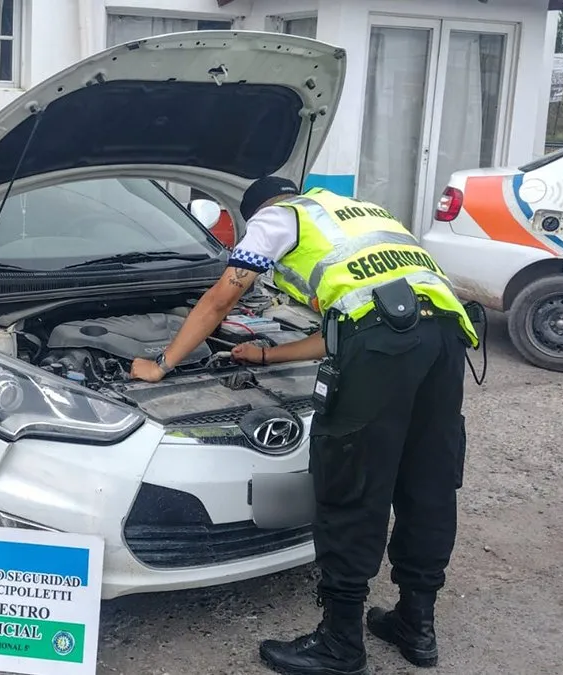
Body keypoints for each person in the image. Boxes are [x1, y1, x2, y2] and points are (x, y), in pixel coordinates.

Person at [129, 176, 479, 675]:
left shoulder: (278, 218)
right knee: (428, 482)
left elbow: (220, 300)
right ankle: (415, 624)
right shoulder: (361, 214)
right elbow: (351, 326)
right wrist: (268, 353)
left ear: (255, 213)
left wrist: (160, 365)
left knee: (352, 480)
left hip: (383, 346)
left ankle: (340, 643)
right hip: (443, 339)